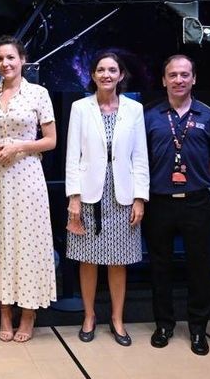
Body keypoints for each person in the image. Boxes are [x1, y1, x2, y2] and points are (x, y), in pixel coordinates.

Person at [0, 35, 57, 343]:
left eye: (10, 57)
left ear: (22, 60)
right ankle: (4, 313)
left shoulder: (38, 94)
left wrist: (20, 146)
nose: (5, 63)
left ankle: (29, 313)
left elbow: (51, 140)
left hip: (28, 176)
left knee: (28, 243)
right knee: (0, 242)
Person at [65, 51, 149, 347]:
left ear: (121, 75)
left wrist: (140, 198)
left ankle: (117, 318)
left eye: (112, 70)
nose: (106, 75)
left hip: (122, 194)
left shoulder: (134, 109)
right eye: (100, 69)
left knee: (118, 261)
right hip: (88, 194)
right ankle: (89, 316)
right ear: (92, 75)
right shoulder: (80, 108)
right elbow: (72, 155)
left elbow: (140, 157)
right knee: (87, 260)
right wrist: (73, 197)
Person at [142, 55, 210, 356]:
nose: (178, 80)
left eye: (184, 74)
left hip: (196, 202)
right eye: (172, 75)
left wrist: (194, 182)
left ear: (194, 79)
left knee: (199, 267)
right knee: (160, 266)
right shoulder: (149, 116)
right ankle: (164, 325)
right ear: (163, 80)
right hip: (159, 202)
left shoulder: (209, 116)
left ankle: (198, 329)